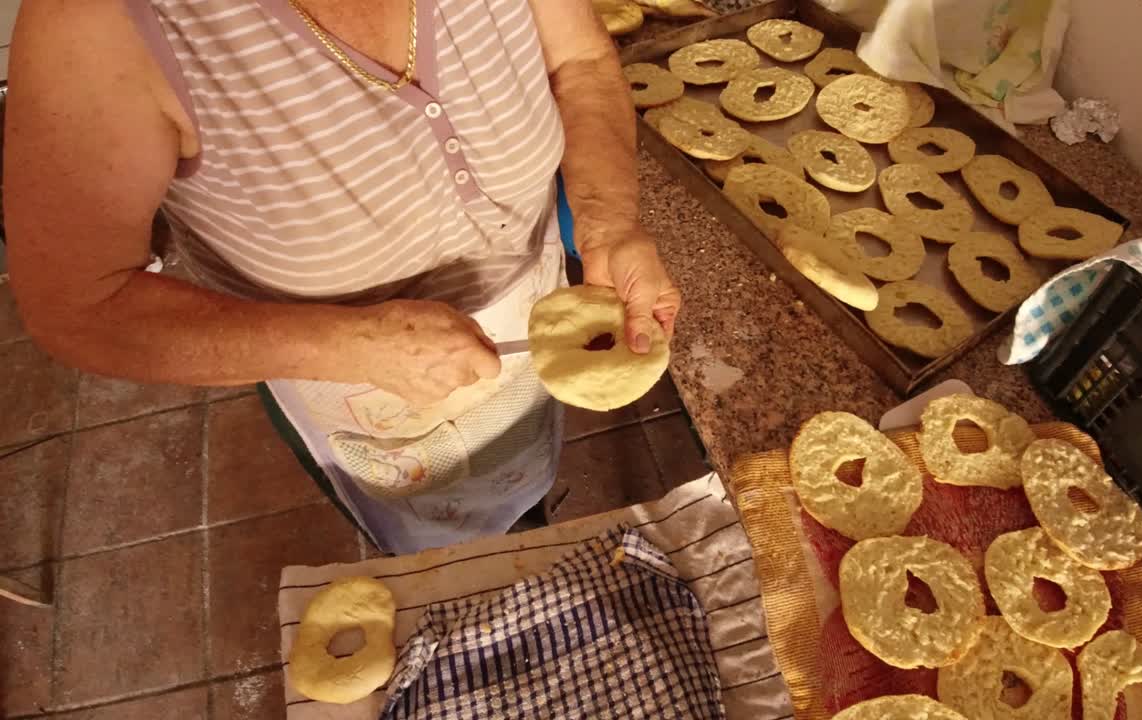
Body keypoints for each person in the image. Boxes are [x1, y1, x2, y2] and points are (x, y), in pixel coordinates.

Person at [4, 0, 681, 554]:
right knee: (442, 551)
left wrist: (608, 221)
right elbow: (79, 305)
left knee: (521, 485)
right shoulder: (97, 24)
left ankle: (525, 517)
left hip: (531, 326)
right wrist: (347, 346)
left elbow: (583, 63)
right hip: (363, 394)